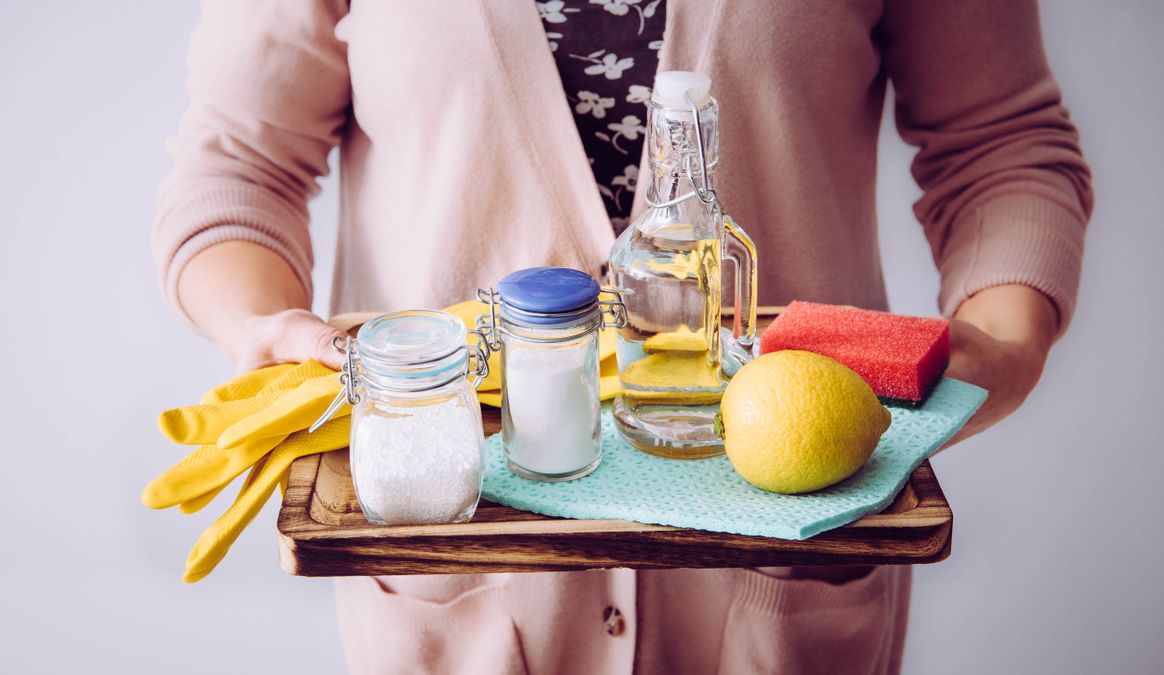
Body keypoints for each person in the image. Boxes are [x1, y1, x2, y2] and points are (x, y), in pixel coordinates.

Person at [153, 1, 1091, 673]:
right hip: (457, 549)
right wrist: (262, 323)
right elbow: (241, 160)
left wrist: (1002, 341)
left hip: (790, 548)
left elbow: (999, 143)